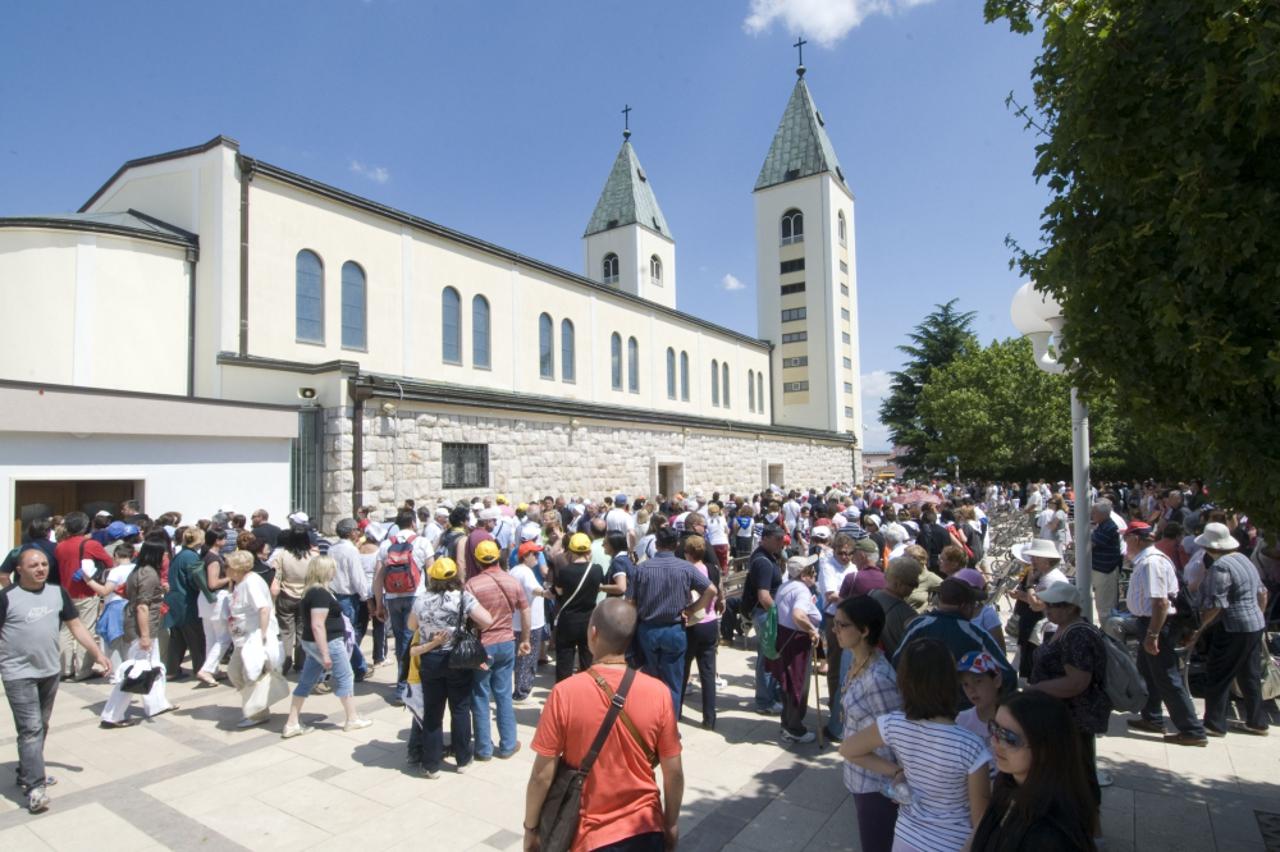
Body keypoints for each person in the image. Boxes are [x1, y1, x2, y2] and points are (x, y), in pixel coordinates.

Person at [524, 599, 684, 852]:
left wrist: (531, 828)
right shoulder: (659, 693)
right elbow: (673, 772)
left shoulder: (564, 693)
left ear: (593, 633)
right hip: (645, 828)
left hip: (589, 836)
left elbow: (541, 775)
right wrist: (671, 822)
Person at [841, 637, 992, 852]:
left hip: (906, 838)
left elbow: (848, 749)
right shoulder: (972, 746)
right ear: (950, 681)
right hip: (953, 842)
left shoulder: (893, 724)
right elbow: (981, 822)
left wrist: (897, 771)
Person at [1, 549, 112, 813]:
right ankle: (35, 786)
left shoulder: (57, 593)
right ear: (19, 570)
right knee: (30, 728)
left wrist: (97, 653)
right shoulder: (6, 598)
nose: (40, 569)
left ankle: (28, 771)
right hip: (18, 673)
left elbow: (76, 626)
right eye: (33, 565)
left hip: (49, 671)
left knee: (40, 725)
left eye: (43, 564)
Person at [970, 691, 1099, 851]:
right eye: (994, 728)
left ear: (1044, 749)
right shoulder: (1006, 782)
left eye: (1009, 738)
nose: (995, 742)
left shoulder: (1050, 836)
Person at [1123, 521, 1207, 745]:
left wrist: (1153, 635)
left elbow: (1160, 602)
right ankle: (1152, 717)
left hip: (1157, 624)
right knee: (1148, 672)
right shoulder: (1146, 560)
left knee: (1167, 677)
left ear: (1135, 539)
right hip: (1150, 623)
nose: (1125, 544)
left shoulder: (1151, 563)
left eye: (1126, 539)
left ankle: (1192, 730)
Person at [408, 556, 494, 777]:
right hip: (457, 660)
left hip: (431, 658)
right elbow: (487, 620)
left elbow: (411, 626)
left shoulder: (421, 600)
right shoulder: (463, 598)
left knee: (433, 713)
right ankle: (463, 759)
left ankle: (431, 764)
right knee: (460, 709)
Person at [1027, 581, 1109, 807]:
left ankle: (1091, 828)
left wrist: (1036, 688)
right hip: (1062, 714)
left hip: (1075, 716)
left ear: (1071, 607)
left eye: (1054, 605)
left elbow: (1077, 682)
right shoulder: (1064, 629)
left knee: (1079, 773)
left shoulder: (1078, 635)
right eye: (1047, 604)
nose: (1048, 609)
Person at [1184, 522, 1270, 736]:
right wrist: (1257, 616)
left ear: (1209, 547)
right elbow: (1262, 593)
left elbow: (1216, 604)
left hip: (1233, 627)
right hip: (1254, 625)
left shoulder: (1220, 567)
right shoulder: (1244, 559)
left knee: (1218, 673)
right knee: (1249, 674)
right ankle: (1257, 721)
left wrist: (1198, 629)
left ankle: (1214, 724)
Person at [835, 595, 902, 852]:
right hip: (860, 776)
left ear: (864, 630)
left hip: (879, 785)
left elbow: (895, 735)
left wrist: (897, 774)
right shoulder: (858, 660)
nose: (836, 631)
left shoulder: (879, 678)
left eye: (842, 625)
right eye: (836, 625)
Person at [626, 526, 714, 718]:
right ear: (676, 546)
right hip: (674, 629)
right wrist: (692, 609)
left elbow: (630, 603)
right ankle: (669, 726)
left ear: (656, 545)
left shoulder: (641, 569)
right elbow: (711, 591)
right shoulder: (686, 568)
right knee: (673, 682)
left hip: (648, 629)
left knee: (649, 680)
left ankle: (650, 722)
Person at [281, 556, 373, 738]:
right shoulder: (319, 593)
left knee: (307, 680)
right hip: (328, 643)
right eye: (332, 568)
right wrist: (325, 654)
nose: (334, 572)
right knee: (346, 676)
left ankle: (292, 722)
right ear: (324, 570)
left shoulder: (313, 591)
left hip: (316, 642)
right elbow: (317, 624)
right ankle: (352, 718)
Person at [894, 578, 1016, 709]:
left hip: (919, 709)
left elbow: (896, 662)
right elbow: (1008, 675)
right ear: (964, 606)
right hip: (961, 713)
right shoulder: (976, 634)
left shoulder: (917, 625)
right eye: (973, 604)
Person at [466, 539, 531, 761]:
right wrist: (526, 638)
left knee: (481, 694)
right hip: (506, 643)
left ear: (477, 560)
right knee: (503, 694)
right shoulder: (512, 581)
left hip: (483, 647)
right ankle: (508, 744)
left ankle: (483, 749)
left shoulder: (472, 584)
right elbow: (525, 610)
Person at [100, 540, 175, 727]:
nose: (166, 557)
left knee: (153, 667)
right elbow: (142, 606)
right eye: (164, 554)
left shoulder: (138, 571)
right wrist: (145, 636)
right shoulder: (149, 574)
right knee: (135, 672)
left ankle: (156, 704)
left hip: (142, 626)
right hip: (143, 629)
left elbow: (130, 595)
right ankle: (112, 715)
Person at [767, 554, 823, 744]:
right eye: (810, 570)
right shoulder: (801, 591)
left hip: (785, 638)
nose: (814, 573)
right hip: (796, 641)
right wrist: (812, 631)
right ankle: (794, 728)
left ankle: (788, 724)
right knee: (797, 684)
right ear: (803, 574)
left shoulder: (786, 585)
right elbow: (798, 615)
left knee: (790, 684)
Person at [224, 550, 283, 728]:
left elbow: (263, 609)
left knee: (249, 674)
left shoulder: (251, 583)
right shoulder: (241, 582)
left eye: (227, 566)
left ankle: (258, 712)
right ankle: (256, 706)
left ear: (236, 569)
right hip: (242, 638)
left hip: (253, 638)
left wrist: (262, 634)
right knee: (236, 673)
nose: (225, 569)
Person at [52, 511, 113, 680]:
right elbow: (109, 563)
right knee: (86, 629)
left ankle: (64, 669)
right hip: (86, 591)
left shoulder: (60, 546)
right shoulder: (90, 544)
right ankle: (82, 670)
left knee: (65, 630)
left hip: (66, 592)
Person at [1009, 539, 1069, 679]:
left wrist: (1029, 585)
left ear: (1047, 560)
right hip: (1039, 630)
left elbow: (1037, 605)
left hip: (1047, 632)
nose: (1032, 560)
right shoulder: (1046, 575)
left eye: (1036, 557)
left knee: (1035, 671)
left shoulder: (1050, 579)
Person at [679, 534, 720, 730]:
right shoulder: (711, 568)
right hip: (710, 622)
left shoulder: (686, 570)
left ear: (687, 553)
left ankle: (676, 711)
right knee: (708, 673)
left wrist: (691, 609)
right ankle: (709, 718)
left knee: (683, 669)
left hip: (693, 623)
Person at [553, 532, 603, 681]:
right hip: (588, 620)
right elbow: (599, 586)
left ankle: (564, 692)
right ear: (589, 550)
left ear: (570, 551)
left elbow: (559, 591)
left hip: (567, 620)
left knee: (564, 660)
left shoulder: (564, 572)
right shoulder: (596, 569)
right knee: (587, 660)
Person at [329, 518, 370, 681]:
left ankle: (349, 665)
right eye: (356, 530)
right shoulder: (351, 550)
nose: (358, 533)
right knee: (350, 634)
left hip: (335, 594)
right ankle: (358, 667)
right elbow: (357, 577)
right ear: (351, 532)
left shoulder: (332, 549)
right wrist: (366, 597)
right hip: (348, 596)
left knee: (342, 633)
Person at [164, 527, 206, 679]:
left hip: (174, 600)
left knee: (178, 639)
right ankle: (201, 669)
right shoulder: (191, 557)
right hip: (187, 602)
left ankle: (172, 670)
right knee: (196, 638)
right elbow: (196, 581)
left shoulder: (180, 554)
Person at [193, 526, 232, 686]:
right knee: (223, 638)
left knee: (211, 637)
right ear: (218, 540)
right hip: (216, 600)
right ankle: (207, 669)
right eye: (223, 538)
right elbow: (213, 583)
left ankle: (212, 669)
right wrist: (229, 577)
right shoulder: (214, 558)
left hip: (206, 600)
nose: (225, 540)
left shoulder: (205, 555)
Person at [510, 542, 549, 702]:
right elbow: (533, 588)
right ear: (525, 556)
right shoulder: (525, 572)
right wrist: (547, 593)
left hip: (518, 622)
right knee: (527, 657)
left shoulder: (514, 570)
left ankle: (520, 688)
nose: (538, 557)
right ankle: (522, 690)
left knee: (521, 658)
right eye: (535, 554)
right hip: (530, 623)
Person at [954, 651, 1003, 765]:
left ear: (997, 681)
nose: (971, 690)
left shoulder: (1011, 720)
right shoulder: (962, 720)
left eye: (978, 681)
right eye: (965, 684)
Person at [869, 556, 921, 658]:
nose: (915, 587)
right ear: (898, 584)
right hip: (895, 667)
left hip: (871, 663)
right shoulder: (908, 615)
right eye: (913, 583)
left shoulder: (871, 595)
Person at [1089, 499, 1124, 621]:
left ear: (1102, 514)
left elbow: (1091, 544)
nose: (1091, 515)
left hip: (1106, 572)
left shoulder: (1109, 526)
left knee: (1106, 607)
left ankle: (1109, 636)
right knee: (1101, 605)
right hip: (1101, 570)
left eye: (1094, 513)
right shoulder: (1102, 525)